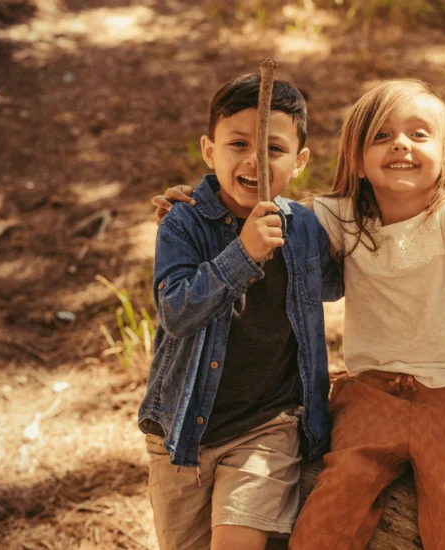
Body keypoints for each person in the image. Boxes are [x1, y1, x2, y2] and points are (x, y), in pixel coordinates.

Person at [144, 73, 341, 550]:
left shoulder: (307, 229)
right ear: (210, 152)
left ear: (299, 161)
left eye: (273, 148)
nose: (255, 160)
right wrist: (243, 254)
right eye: (238, 143)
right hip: (180, 430)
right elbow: (176, 312)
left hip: (266, 428)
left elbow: (349, 278)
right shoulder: (183, 221)